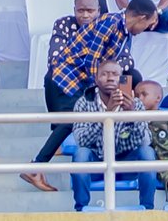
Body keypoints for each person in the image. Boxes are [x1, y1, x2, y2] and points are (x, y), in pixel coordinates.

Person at [23, 0, 152, 190]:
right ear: (141, 18)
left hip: (77, 80)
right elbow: (92, 60)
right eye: (148, 24)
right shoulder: (111, 23)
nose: (146, 30)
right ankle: (34, 168)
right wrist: (97, 92)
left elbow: (115, 63)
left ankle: (36, 167)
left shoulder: (123, 30)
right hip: (65, 78)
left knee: (71, 121)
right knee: (70, 121)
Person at [67, 57, 157, 210]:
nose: (110, 78)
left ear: (121, 78)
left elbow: (144, 141)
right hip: (97, 162)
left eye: (115, 74)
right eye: (104, 74)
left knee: (147, 152)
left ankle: (147, 209)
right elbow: (82, 141)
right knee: (81, 154)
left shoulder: (135, 104)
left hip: (127, 162)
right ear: (96, 79)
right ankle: (81, 209)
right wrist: (106, 115)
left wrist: (132, 115)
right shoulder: (84, 102)